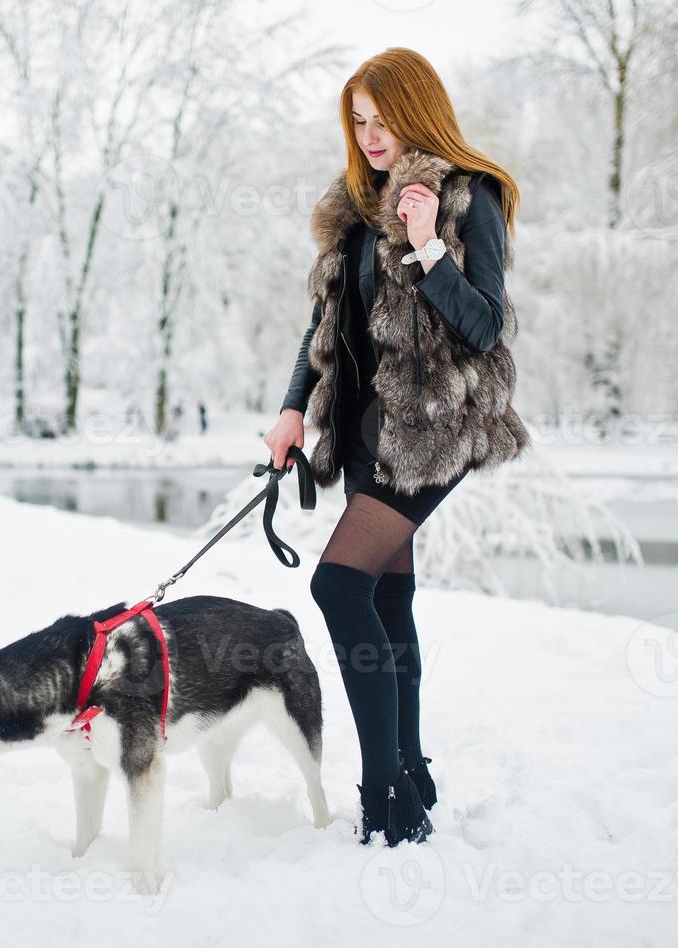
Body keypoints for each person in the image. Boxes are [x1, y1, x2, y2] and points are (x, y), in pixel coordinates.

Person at [262, 47, 530, 847]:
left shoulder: (464, 196)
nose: (368, 135)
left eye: (381, 119)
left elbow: (485, 327)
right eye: (356, 120)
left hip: (437, 432)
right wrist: (289, 413)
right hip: (367, 434)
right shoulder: (352, 208)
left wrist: (426, 243)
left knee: (337, 587)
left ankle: (385, 798)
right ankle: (411, 771)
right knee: (383, 599)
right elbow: (324, 327)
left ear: (415, 110)